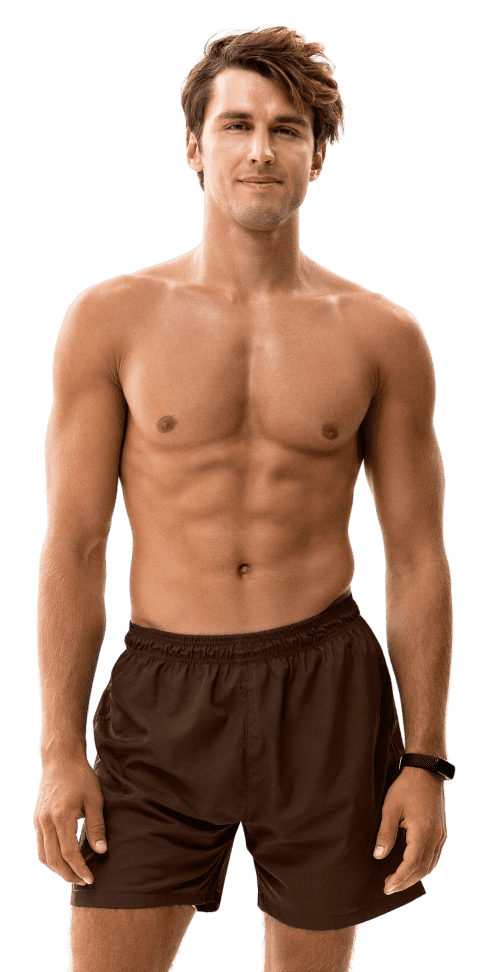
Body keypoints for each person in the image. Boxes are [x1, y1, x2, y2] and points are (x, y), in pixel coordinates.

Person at [33, 25, 454, 972]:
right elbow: (74, 545)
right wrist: (60, 751)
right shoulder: (110, 319)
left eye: (288, 129)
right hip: (163, 694)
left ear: (317, 155)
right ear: (195, 146)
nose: (261, 149)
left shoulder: (383, 334)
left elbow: (418, 556)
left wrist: (425, 761)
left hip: (325, 691)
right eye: (237, 124)